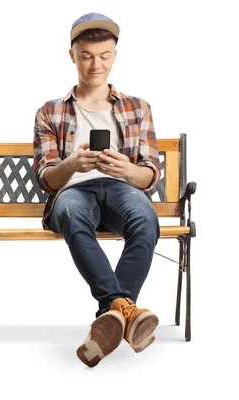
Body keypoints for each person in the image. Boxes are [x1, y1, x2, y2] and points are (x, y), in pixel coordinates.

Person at [33, 13, 162, 367]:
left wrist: (127, 169)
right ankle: (127, 312)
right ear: (73, 55)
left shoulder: (138, 108)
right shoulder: (50, 111)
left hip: (121, 188)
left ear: (115, 56)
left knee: (146, 222)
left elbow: (151, 174)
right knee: (72, 215)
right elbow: (46, 178)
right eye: (87, 55)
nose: (96, 64)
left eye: (104, 55)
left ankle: (113, 311)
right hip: (74, 190)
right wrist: (73, 165)